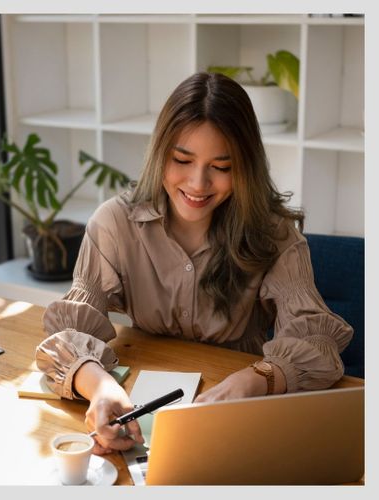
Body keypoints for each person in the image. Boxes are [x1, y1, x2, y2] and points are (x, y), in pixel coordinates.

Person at [35, 72, 353, 455]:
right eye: (182, 160)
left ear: (245, 167)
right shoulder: (114, 223)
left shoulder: (275, 234)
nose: (198, 183)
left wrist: (256, 381)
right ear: (160, 153)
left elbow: (317, 345)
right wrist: (100, 387)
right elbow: (66, 333)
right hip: (142, 411)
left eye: (221, 166)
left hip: (240, 411)